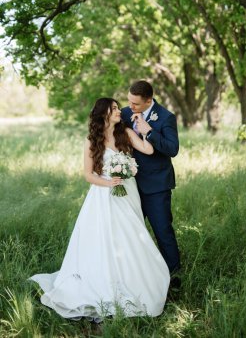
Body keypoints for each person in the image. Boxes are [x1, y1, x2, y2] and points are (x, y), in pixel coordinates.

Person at [29, 98, 170, 321]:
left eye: (117, 108)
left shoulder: (125, 133)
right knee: (106, 236)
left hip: (128, 192)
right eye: (114, 109)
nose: (118, 111)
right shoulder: (91, 141)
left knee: (131, 234)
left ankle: (135, 278)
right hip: (104, 194)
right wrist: (109, 183)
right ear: (103, 113)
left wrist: (145, 129)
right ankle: (105, 280)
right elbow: (88, 175)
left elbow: (148, 150)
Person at [121, 80, 181, 285]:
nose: (130, 107)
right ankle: (134, 276)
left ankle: (174, 276)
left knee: (162, 230)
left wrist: (149, 132)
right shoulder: (125, 113)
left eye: (135, 104)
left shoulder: (166, 117)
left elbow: (172, 149)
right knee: (130, 231)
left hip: (156, 186)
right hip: (128, 184)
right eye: (129, 101)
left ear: (148, 101)